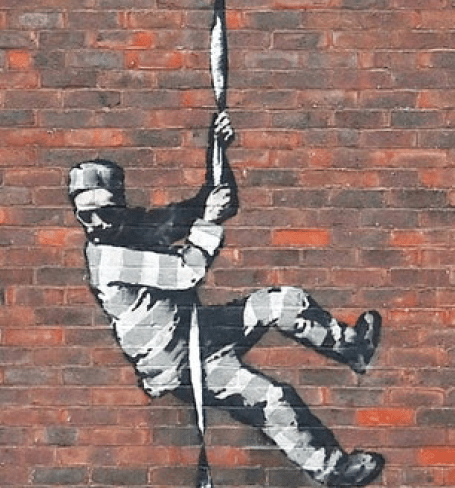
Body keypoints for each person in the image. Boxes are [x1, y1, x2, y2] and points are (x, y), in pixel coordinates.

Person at [68, 112, 385, 487]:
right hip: (178, 363)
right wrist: (209, 220)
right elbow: (187, 271)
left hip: (197, 331)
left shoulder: (133, 226)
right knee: (269, 398)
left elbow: (213, 202)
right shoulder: (107, 258)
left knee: (283, 302)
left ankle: (352, 348)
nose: (98, 223)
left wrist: (217, 150)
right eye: (86, 216)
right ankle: (333, 471)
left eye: (106, 211)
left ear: (120, 204)